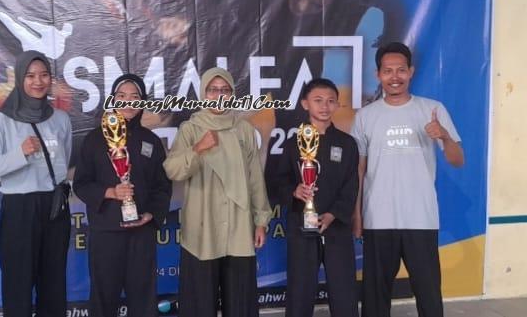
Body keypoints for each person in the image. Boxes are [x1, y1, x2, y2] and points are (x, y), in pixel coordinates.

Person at [350, 42, 465, 317]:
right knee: (375, 299)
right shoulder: (365, 116)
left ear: (411, 72)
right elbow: (359, 170)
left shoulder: (432, 109)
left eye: (401, 70)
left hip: (421, 218)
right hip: (378, 218)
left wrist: (445, 136)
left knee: (428, 294)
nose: (395, 77)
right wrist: (357, 216)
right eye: (388, 71)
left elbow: (457, 159)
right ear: (378, 74)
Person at [164, 67, 273, 317]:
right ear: (204, 93)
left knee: (240, 298)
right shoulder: (191, 129)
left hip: (238, 224)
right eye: (213, 90)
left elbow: (255, 178)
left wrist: (261, 221)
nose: (219, 95)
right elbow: (173, 170)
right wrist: (198, 149)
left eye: (225, 90)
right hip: (202, 226)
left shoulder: (243, 129)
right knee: (200, 300)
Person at [0, 50, 73, 317]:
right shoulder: (2, 120)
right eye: (30, 76)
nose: (38, 81)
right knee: (17, 286)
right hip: (19, 208)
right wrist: (20, 154)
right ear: (20, 79)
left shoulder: (61, 119)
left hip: (54, 207)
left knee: (53, 286)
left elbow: (64, 161)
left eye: (43, 75)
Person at [73, 74, 171, 317]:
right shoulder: (95, 139)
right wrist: (110, 192)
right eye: (122, 96)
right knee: (104, 298)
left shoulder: (151, 141)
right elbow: (81, 184)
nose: (128, 102)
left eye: (135, 97)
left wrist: (151, 215)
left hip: (141, 233)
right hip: (106, 232)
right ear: (112, 100)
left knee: (143, 298)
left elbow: (162, 186)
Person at [272, 78, 359, 317]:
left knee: (344, 291)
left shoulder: (347, 144)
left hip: (336, 227)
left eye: (331, 101)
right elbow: (279, 181)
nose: (324, 106)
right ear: (305, 104)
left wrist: (333, 215)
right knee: (300, 290)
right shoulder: (293, 144)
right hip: (302, 226)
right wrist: (294, 191)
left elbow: (351, 186)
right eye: (318, 100)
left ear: (337, 105)